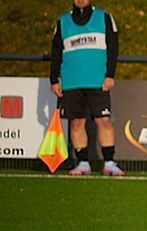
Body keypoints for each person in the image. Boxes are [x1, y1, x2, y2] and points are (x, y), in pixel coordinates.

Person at [50, 0, 124, 177]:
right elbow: (56, 52)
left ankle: (109, 163)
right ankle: (83, 163)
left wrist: (110, 74)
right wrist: (54, 79)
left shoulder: (104, 17)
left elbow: (113, 47)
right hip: (71, 81)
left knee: (104, 121)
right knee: (76, 123)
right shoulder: (62, 22)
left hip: (97, 81)